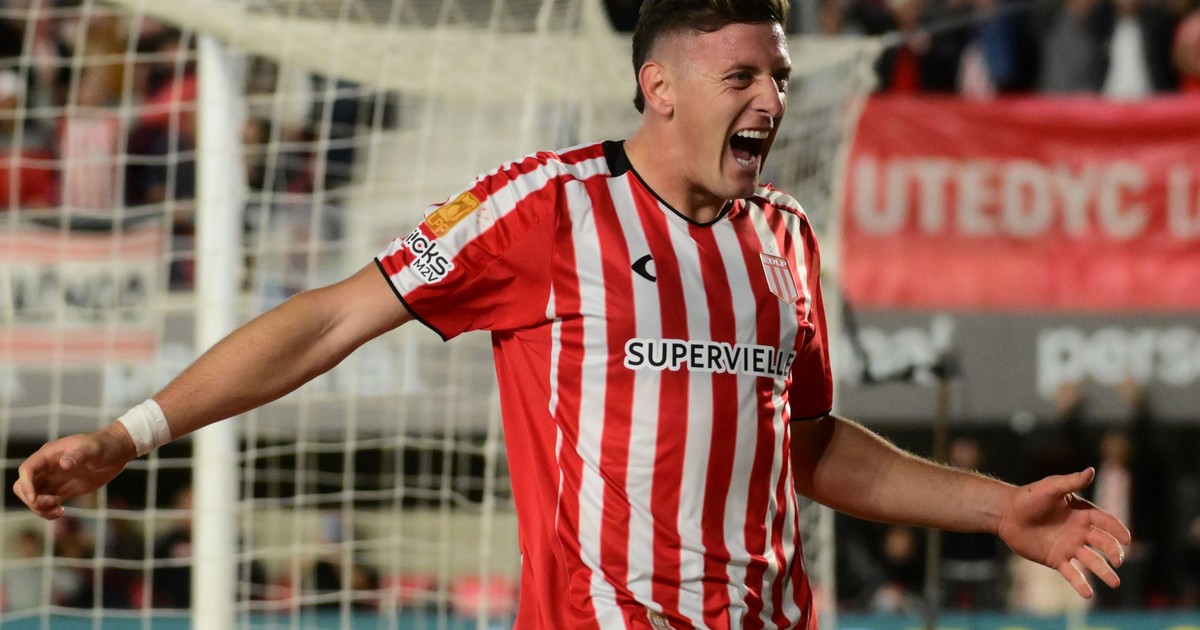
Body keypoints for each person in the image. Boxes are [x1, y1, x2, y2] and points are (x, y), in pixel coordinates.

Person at [13, 1, 1131, 628]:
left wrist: (999, 509)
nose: (773, 100)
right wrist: (131, 433)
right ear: (659, 88)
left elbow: (808, 446)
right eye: (743, 77)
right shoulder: (544, 208)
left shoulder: (785, 235)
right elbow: (328, 321)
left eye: (780, 75)